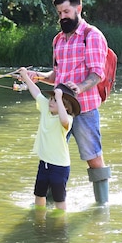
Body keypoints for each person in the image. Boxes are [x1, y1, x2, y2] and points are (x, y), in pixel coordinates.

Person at [26, 0, 112, 204]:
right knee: (49, 155)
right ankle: (47, 203)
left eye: (66, 11)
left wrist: (79, 88)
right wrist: (37, 77)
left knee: (93, 157)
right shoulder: (58, 40)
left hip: (84, 108)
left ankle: (102, 206)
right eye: (59, 13)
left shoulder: (92, 36)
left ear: (78, 9)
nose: (62, 16)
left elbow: (97, 73)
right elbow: (57, 74)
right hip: (57, 109)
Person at [17, 67, 81, 212]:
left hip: (60, 167)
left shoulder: (67, 119)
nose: (51, 101)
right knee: (39, 195)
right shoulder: (46, 109)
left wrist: (59, 97)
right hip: (44, 163)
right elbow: (37, 93)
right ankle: (39, 222)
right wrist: (26, 77)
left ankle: (60, 226)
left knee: (59, 200)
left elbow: (64, 121)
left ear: (65, 106)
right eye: (51, 98)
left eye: (55, 100)